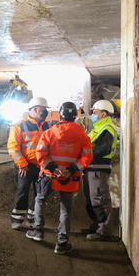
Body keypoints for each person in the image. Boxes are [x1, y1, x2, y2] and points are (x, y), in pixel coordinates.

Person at [27, 101, 93, 255]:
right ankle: (62, 243)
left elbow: (40, 154)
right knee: (65, 210)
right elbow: (87, 157)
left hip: (49, 176)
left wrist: (53, 169)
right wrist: (71, 170)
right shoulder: (83, 135)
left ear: (61, 114)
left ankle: (38, 231)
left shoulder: (49, 133)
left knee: (40, 200)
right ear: (75, 115)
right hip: (70, 178)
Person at [7, 97, 51, 229]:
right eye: (44, 110)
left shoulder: (45, 125)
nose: (45, 112)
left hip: (42, 166)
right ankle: (17, 219)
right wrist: (22, 164)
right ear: (36, 109)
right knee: (23, 190)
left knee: (39, 193)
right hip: (26, 166)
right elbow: (13, 147)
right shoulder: (19, 126)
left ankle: (32, 218)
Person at [83, 100, 120, 241]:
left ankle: (104, 231)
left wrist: (83, 154)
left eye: (95, 112)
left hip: (99, 167)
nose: (92, 114)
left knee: (100, 198)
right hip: (90, 167)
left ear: (103, 114)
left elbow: (101, 149)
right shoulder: (97, 128)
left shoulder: (107, 128)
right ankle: (96, 225)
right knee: (91, 199)